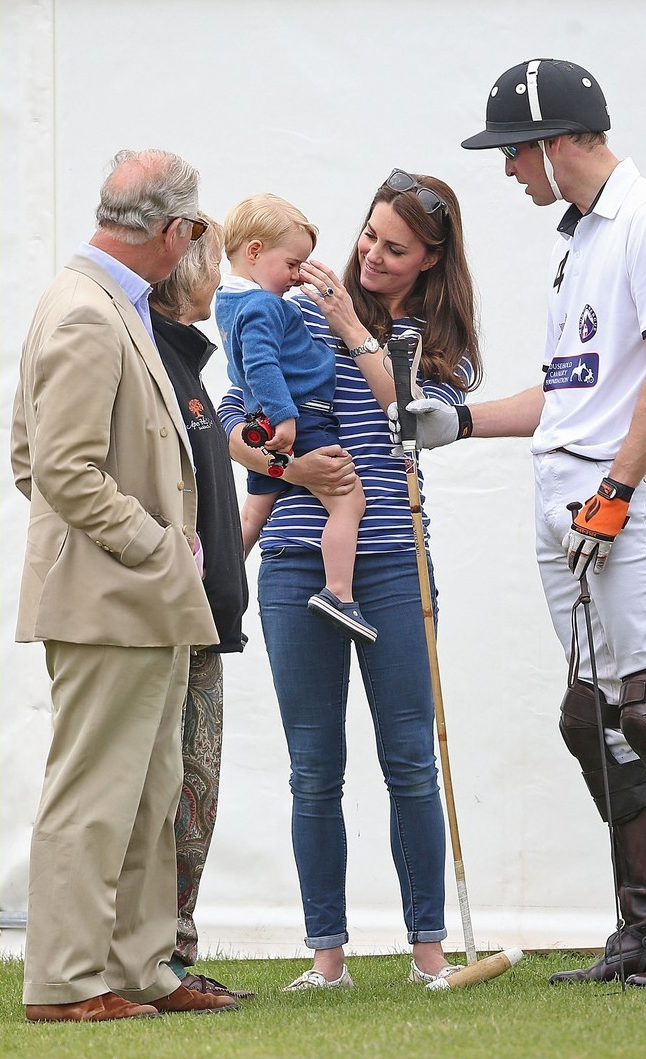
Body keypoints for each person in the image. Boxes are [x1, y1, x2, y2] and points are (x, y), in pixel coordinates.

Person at [398, 58, 646, 986]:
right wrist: (459, 420)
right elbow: (569, 393)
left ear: (549, 141)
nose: (507, 172)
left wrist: (617, 489)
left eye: (511, 153)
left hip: (617, 494)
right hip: (565, 496)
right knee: (600, 715)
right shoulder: (575, 239)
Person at [217, 169, 482, 990]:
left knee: (408, 758)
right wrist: (288, 464)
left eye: (394, 248)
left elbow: (412, 421)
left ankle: (427, 952)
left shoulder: (440, 346)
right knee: (312, 765)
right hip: (299, 560)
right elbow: (230, 418)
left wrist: (357, 333)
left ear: (431, 261)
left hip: (396, 560)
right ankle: (325, 957)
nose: (369, 255)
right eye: (368, 235)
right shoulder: (289, 304)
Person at [11, 149, 238, 1020]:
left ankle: (139, 967)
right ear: (176, 232)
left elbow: (38, 458)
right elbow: (55, 468)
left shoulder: (111, 304)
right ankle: (65, 982)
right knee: (95, 795)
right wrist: (154, 543)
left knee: (148, 793)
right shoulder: (86, 312)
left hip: (140, 599)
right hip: (112, 598)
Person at [148, 214, 253, 1002]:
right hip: (167, 622)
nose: (220, 280)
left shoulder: (187, 363)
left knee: (196, 790)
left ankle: (172, 953)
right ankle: (156, 958)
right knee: (169, 794)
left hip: (204, 623)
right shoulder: (152, 354)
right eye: (212, 264)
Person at [215, 193, 375, 644]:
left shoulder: (227, 303)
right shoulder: (265, 305)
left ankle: (212, 592)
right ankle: (339, 592)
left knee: (253, 515)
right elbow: (262, 364)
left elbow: (248, 366)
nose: (296, 276)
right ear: (253, 252)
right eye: (292, 263)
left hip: (264, 416)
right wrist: (285, 419)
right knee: (349, 502)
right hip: (301, 419)